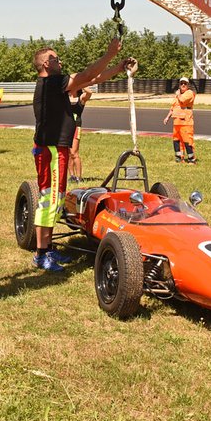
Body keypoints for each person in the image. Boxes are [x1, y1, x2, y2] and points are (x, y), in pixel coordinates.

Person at [31, 39, 137, 272]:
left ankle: (47, 248)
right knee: (49, 200)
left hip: (54, 149)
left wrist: (118, 68)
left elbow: (92, 79)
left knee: (55, 200)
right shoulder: (51, 82)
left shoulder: (55, 83)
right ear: (47, 64)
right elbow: (88, 73)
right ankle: (41, 254)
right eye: (56, 58)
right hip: (51, 149)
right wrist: (109, 54)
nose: (60, 61)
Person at [162, 76, 197, 163]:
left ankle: (191, 159)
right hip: (177, 122)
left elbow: (182, 100)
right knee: (177, 141)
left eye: (185, 83)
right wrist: (167, 117)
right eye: (181, 83)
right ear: (179, 85)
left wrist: (178, 95)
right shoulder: (177, 95)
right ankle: (179, 157)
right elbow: (173, 107)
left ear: (188, 85)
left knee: (187, 141)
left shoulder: (190, 93)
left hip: (186, 122)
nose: (183, 85)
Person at [68, 86, 93, 183]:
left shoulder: (81, 98)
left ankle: (79, 177)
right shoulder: (65, 97)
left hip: (75, 127)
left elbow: (89, 92)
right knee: (69, 154)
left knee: (74, 153)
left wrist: (81, 83)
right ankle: (72, 176)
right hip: (65, 128)